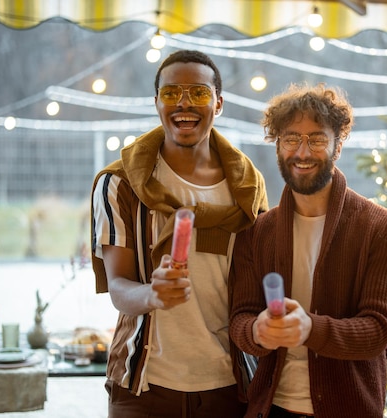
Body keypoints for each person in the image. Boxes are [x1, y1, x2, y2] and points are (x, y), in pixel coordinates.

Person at [90, 49, 269, 418]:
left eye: (199, 93)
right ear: (156, 102)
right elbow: (119, 287)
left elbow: (257, 281)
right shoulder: (120, 184)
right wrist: (152, 294)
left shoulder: (248, 189)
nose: (183, 104)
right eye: (171, 93)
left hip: (228, 384)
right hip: (142, 385)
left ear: (218, 104)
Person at [229, 83, 387, 418]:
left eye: (316, 139)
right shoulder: (257, 233)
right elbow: (239, 317)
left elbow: (376, 331)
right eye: (290, 139)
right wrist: (257, 331)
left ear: (337, 146)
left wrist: (310, 329)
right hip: (270, 409)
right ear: (278, 146)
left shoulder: (384, 230)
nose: (302, 152)